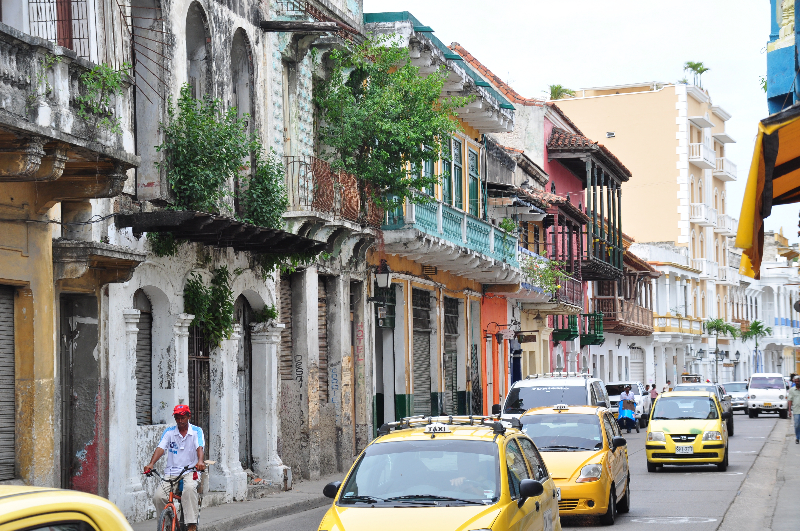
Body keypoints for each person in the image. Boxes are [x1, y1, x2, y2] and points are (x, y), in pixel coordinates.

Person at [144, 405, 206, 531]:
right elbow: (161, 448)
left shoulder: (196, 431)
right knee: (158, 497)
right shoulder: (169, 432)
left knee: (189, 489)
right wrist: (151, 464)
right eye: (177, 418)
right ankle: (166, 524)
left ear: (189, 416)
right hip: (171, 472)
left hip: (190, 471)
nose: (180, 421)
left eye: (183, 417)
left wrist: (200, 461)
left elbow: (199, 447)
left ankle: (191, 524)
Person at [788, 376, 800, 444]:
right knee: (797, 424)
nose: (797, 383)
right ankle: (797, 438)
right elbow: (790, 400)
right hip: (796, 410)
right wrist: (789, 410)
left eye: (798, 381)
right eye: (795, 382)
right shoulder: (792, 390)